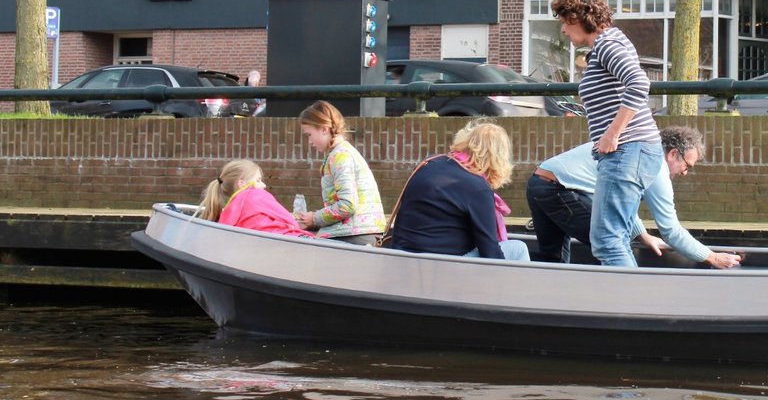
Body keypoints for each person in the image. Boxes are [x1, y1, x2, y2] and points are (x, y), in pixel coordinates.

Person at [553, 0, 662, 268]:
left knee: (607, 240)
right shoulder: (609, 43)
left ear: (579, 18)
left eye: (565, 22)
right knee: (612, 237)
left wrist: (612, 134)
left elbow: (639, 84)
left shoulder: (607, 44)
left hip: (627, 150)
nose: (564, 30)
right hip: (630, 151)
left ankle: (629, 307)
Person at [527, 125, 742, 269]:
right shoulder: (654, 164)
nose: (685, 173)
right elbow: (671, 230)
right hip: (559, 189)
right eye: (687, 166)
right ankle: (628, 299)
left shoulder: (636, 147)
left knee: (551, 260)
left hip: (539, 181)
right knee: (614, 243)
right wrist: (713, 258)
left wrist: (642, 235)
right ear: (673, 153)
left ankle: (510, 261)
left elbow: (620, 201)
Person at [388, 119, 531, 261]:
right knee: (518, 248)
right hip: (443, 265)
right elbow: (490, 251)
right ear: (498, 158)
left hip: (402, 257)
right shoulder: (477, 188)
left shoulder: (428, 164)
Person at [294, 100, 387, 245]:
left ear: (324, 129)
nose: (309, 141)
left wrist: (315, 218)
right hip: (363, 230)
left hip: (354, 234)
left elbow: (347, 205)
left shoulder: (340, 157)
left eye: (309, 134)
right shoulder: (341, 153)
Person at [198, 159, 313, 238]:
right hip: (288, 240)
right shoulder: (254, 194)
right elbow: (289, 219)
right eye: (258, 180)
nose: (263, 185)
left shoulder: (227, 213)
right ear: (242, 184)